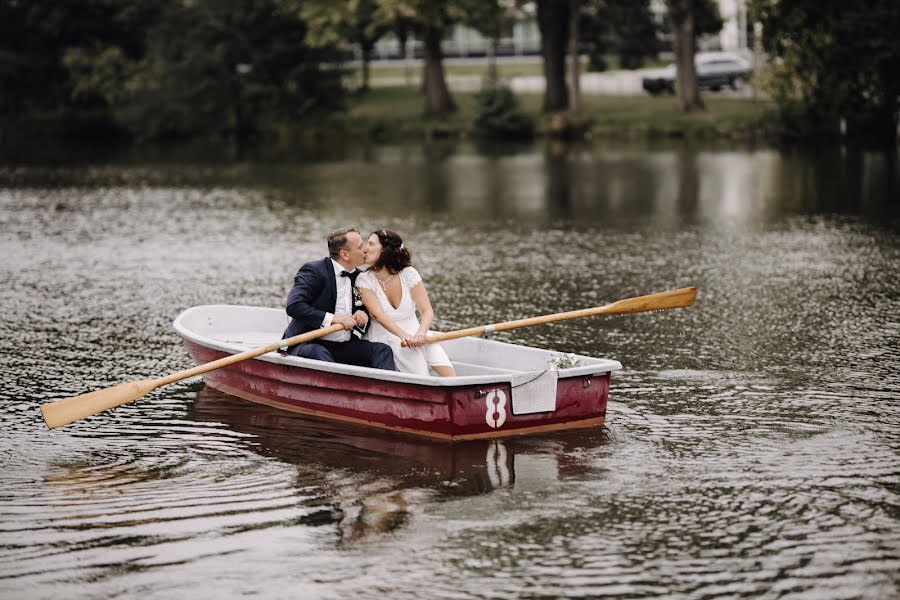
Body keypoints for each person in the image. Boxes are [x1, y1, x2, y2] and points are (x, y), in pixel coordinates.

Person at [282, 227, 396, 371]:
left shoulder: (360, 278)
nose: (366, 249)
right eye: (361, 247)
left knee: (382, 350)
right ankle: (337, 390)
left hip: (342, 346)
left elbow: (362, 307)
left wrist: (363, 315)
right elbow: (294, 306)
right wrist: (333, 319)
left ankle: (384, 392)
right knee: (318, 353)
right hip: (308, 342)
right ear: (345, 254)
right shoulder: (314, 271)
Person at [356, 229, 456, 377]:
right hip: (387, 336)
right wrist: (404, 336)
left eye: (371, 244)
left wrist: (421, 333)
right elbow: (379, 315)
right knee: (415, 364)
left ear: (384, 249)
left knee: (445, 368)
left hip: (416, 333)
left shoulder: (409, 274)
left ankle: (454, 393)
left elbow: (426, 309)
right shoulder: (364, 280)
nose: (365, 248)